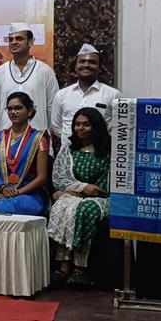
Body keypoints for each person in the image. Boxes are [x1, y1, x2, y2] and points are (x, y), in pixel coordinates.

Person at [49, 107, 112, 289]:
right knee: (62, 206)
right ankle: (63, 266)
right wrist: (82, 189)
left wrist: (78, 192)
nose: (80, 128)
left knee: (85, 209)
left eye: (86, 124)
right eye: (77, 124)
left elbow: (103, 189)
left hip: (104, 199)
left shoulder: (108, 150)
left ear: (96, 126)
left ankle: (80, 267)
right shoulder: (69, 149)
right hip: (74, 195)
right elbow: (60, 179)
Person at [0, 91, 51, 216]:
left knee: (21, 205)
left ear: (30, 111)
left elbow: (41, 178)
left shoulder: (39, 139)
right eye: (10, 109)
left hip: (28, 194)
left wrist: (16, 192)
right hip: (2, 191)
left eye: (18, 108)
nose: (13, 112)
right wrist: (3, 188)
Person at [0, 23, 58, 132]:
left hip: (37, 137)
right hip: (6, 138)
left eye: (19, 38)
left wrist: (48, 135)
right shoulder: (0, 72)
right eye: (11, 39)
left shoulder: (45, 71)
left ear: (30, 42)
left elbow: (53, 108)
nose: (14, 42)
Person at [51, 43, 120, 145]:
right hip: (69, 152)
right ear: (75, 66)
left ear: (100, 68)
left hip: (100, 153)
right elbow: (56, 126)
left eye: (92, 62)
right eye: (82, 61)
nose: (86, 65)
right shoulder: (61, 95)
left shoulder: (113, 95)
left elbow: (120, 129)